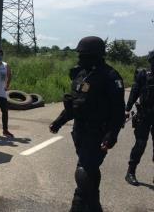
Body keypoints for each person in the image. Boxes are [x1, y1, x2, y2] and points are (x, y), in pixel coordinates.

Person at [50, 36, 125, 212]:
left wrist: (111, 135)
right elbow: (75, 103)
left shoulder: (110, 76)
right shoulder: (80, 74)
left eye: (83, 55)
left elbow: (118, 111)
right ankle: (90, 205)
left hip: (98, 133)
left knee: (83, 169)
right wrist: (59, 121)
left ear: (96, 55)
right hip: (80, 131)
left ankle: (86, 206)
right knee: (90, 169)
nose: (79, 58)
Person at [124, 50, 154, 186]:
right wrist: (127, 108)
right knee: (140, 144)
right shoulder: (143, 74)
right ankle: (130, 172)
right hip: (144, 115)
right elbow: (135, 91)